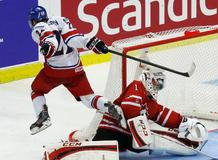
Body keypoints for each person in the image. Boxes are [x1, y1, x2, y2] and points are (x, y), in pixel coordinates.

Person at [67, 67, 208, 156]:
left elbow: (163, 115)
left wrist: (184, 122)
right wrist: (142, 132)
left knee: (155, 139)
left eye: (160, 85)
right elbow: (129, 106)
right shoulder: (137, 86)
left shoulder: (151, 103)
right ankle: (79, 143)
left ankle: (188, 146)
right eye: (156, 83)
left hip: (128, 138)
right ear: (149, 79)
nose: (157, 87)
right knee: (98, 153)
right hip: (111, 131)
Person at [28, 6, 123, 135]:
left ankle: (43, 117)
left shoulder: (38, 27)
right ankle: (108, 106)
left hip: (55, 72)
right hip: (75, 70)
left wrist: (49, 47)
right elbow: (73, 39)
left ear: (33, 21)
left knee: (36, 90)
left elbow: (50, 39)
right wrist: (91, 43)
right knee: (88, 99)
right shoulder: (60, 20)